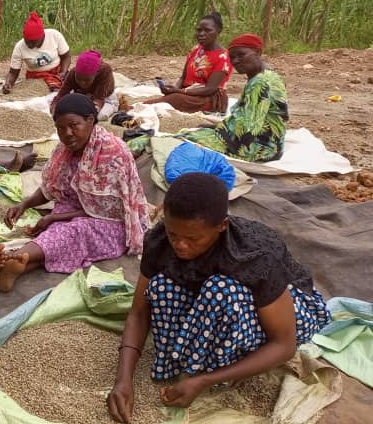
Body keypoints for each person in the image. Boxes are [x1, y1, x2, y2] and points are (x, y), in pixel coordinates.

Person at [106, 173, 330, 423]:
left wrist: (205, 380)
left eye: (193, 238)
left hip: (288, 311)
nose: (180, 245)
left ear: (222, 225)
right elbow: (139, 311)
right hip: (213, 297)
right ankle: (192, 365)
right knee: (161, 286)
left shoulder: (254, 256)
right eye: (173, 234)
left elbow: (283, 345)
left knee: (221, 291)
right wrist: (123, 379)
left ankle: (218, 372)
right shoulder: (159, 241)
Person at [0, 94, 151, 292]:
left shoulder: (113, 153)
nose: (68, 133)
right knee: (60, 232)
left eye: (74, 125)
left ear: (90, 120)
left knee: (74, 231)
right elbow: (50, 188)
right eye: (60, 128)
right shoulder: (64, 150)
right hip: (71, 210)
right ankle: (17, 266)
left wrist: (55, 217)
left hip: (110, 223)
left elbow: (111, 211)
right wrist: (25, 205)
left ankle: (13, 258)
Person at [177, 34, 289, 162]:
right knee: (198, 131)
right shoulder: (268, 75)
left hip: (260, 147)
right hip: (273, 143)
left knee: (183, 138)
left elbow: (248, 127)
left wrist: (218, 130)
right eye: (232, 58)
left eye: (241, 55)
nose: (235, 61)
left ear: (257, 52)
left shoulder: (260, 83)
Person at [144, 13, 231, 113]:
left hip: (208, 99)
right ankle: (139, 107)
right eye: (199, 30)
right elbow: (183, 77)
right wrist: (173, 89)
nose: (201, 34)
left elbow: (209, 89)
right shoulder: (196, 50)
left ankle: (137, 107)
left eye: (207, 30)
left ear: (218, 31)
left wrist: (178, 92)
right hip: (188, 94)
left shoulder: (224, 57)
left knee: (173, 99)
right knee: (171, 99)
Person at [2, 11, 71, 94]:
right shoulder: (19, 47)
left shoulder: (54, 35)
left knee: (72, 81)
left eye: (33, 42)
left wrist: (63, 72)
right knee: (51, 90)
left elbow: (66, 56)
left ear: (42, 36)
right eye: (27, 41)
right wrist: (8, 83)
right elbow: (13, 72)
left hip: (57, 71)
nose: (29, 45)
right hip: (36, 76)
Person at [51, 50, 117, 121]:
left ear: (95, 75)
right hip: (83, 95)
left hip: (104, 97)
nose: (82, 83)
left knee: (99, 116)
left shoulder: (105, 71)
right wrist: (55, 111)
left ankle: (114, 106)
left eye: (87, 80)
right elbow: (61, 95)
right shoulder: (73, 73)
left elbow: (99, 100)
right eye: (79, 79)